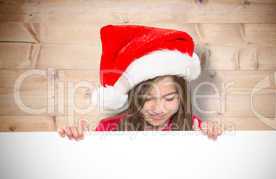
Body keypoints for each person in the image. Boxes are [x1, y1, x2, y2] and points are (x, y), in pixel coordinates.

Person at [57, 24, 223, 141]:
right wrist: (78, 141)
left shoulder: (194, 127)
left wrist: (212, 138)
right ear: (133, 95)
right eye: (148, 98)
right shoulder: (109, 128)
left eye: (169, 98)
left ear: (181, 97)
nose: (158, 109)